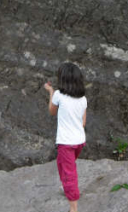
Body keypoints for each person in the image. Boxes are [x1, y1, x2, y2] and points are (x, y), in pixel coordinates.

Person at [43, 62, 87, 212]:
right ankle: (66, 188)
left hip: (65, 143)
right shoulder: (83, 99)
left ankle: (73, 208)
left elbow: (51, 111)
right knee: (62, 164)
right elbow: (83, 122)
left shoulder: (58, 95)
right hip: (79, 141)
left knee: (69, 174)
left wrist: (50, 92)